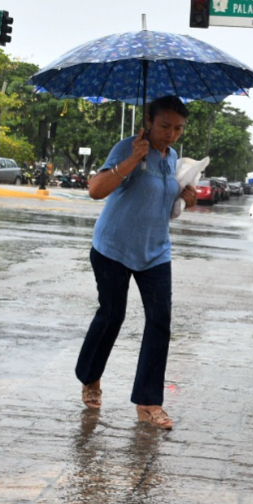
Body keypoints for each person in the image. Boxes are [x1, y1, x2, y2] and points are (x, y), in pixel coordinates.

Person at [75, 96, 197, 429]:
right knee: (112, 315)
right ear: (148, 119)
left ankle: (148, 402)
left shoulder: (171, 158)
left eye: (178, 128)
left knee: (160, 321)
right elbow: (96, 190)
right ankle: (90, 376)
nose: (171, 135)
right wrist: (130, 161)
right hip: (112, 247)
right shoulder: (127, 147)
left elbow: (160, 199)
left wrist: (184, 197)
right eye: (164, 126)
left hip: (155, 251)